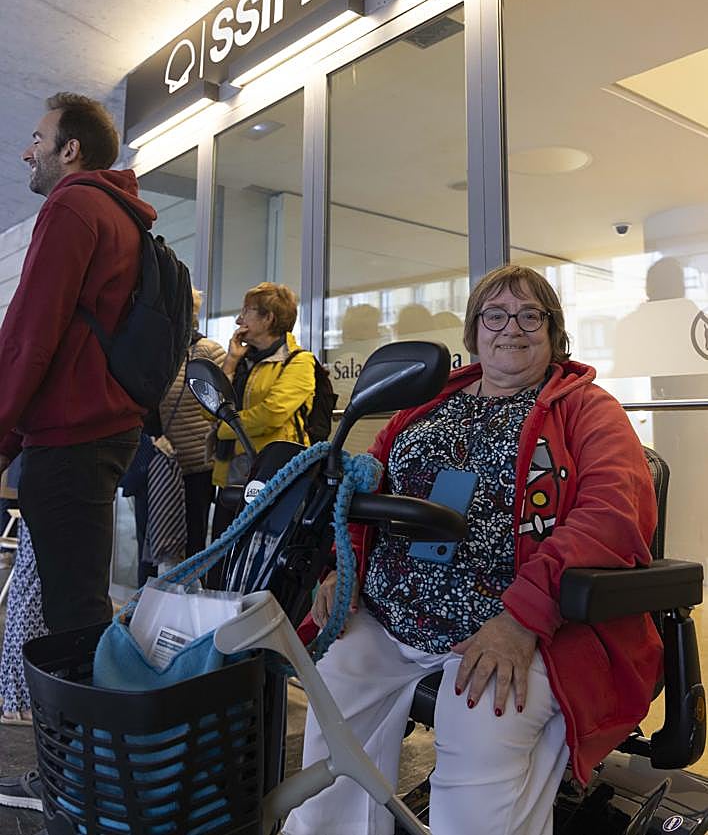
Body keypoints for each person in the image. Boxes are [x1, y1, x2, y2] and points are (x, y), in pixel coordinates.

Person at [285, 264, 663, 835]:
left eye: (530, 314)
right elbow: (367, 485)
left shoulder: (588, 409)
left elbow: (610, 519)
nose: (512, 327)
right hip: (391, 616)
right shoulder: (427, 403)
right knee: (334, 692)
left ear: (553, 331)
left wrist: (521, 620)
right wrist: (345, 570)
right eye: (495, 314)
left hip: (517, 624)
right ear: (473, 332)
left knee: (477, 722)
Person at [0, 93, 152, 812]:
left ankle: (81, 779)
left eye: (37, 139)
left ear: (71, 150)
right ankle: (93, 770)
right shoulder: (123, 213)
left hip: (69, 433)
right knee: (81, 607)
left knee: (74, 618)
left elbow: (30, 333)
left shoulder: (72, 208)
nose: (27, 151)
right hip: (102, 429)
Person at [208, 283, 316, 576]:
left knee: (261, 570)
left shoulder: (298, 361)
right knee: (220, 567)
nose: (238, 320)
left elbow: (271, 414)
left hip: (272, 475)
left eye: (246, 311)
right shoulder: (244, 361)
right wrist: (230, 361)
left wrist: (223, 426)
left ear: (268, 318)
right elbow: (213, 404)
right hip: (232, 474)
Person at [137, 289, 227, 585]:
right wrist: (151, 436)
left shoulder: (209, 352)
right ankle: (142, 616)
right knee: (151, 545)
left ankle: (185, 616)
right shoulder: (152, 350)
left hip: (196, 465)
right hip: (157, 463)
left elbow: (222, 403)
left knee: (192, 544)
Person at [0, 517, 47, 727]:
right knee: (33, 589)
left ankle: (10, 694)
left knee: (26, 582)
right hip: (49, 500)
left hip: (38, 499)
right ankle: (20, 704)